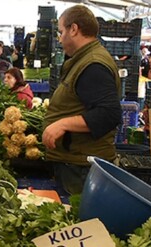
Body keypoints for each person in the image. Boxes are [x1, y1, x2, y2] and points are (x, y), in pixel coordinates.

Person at [41, 5, 121, 195]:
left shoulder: (93, 64)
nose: (60, 39)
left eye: (61, 32)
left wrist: (63, 124)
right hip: (77, 163)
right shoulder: (83, 60)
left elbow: (109, 114)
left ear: (74, 29)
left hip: (82, 169)